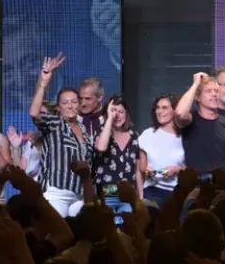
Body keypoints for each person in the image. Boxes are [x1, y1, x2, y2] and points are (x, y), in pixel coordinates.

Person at [29, 53, 93, 217]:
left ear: (79, 105)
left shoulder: (85, 130)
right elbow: (35, 112)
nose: (70, 106)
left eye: (74, 102)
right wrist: (44, 81)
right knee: (58, 238)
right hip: (56, 193)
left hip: (78, 194)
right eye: (65, 103)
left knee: (79, 237)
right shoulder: (55, 123)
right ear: (58, 107)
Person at [174, 73, 225, 174]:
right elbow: (179, 113)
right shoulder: (190, 120)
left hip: (223, 185)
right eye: (209, 91)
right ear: (198, 97)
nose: (214, 94)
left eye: (217, 91)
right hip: (196, 185)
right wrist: (196, 84)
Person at [93, 95, 141, 208]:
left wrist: (141, 196)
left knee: (128, 222)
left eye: (121, 112)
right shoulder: (101, 132)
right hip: (108, 188)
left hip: (129, 190)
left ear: (126, 114)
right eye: (113, 111)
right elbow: (101, 147)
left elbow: (137, 170)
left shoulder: (134, 136)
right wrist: (110, 118)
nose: (117, 115)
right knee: (115, 221)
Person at [139, 94, 185, 206]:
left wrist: (177, 169)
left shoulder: (186, 137)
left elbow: (194, 168)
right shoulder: (147, 134)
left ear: (175, 110)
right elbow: (141, 168)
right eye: (157, 108)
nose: (159, 111)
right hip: (153, 190)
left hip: (179, 191)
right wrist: (147, 170)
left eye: (164, 107)